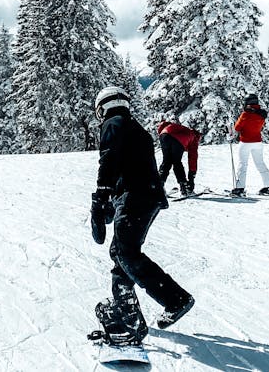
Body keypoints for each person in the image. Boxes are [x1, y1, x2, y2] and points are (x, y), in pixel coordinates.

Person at [89, 86, 195, 346]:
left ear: (103, 107)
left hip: (136, 197)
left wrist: (101, 195)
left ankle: (175, 298)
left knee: (125, 252)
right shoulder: (133, 127)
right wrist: (112, 200)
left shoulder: (113, 124)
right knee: (121, 251)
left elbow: (110, 159)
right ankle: (125, 308)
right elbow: (130, 166)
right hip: (143, 196)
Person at [231, 93, 269, 197]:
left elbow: (237, 128)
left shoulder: (245, 114)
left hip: (245, 142)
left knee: (243, 165)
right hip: (258, 142)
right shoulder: (261, 114)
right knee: (260, 164)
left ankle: (239, 188)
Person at [156, 120, 201, 196]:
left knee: (167, 161)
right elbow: (192, 159)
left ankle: (158, 188)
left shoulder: (182, 129)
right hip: (177, 139)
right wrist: (191, 178)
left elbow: (164, 125)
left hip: (164, 135)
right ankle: (185, 189)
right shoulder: (193, 138)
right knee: (177, 162)